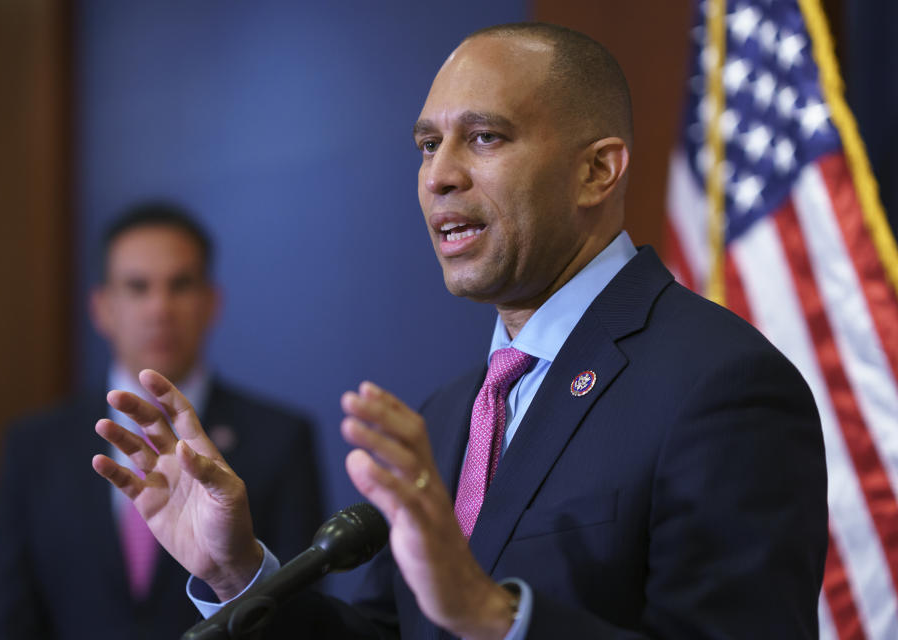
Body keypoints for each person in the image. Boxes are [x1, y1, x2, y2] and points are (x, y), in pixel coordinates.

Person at [93, 23, 828, 639]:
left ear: (598, 172)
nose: (439, 175)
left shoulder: (722, 386)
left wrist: (491, 614)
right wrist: (238, 572)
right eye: (425, 145)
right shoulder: (449, 416)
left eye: (484, 138)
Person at [0, 203, 324, 640]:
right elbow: (14, 617)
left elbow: (300, 614)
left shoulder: (280, 439)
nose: (160, 308)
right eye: (137, 287)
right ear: (102, 308)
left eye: (180, 285)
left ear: (211, 303)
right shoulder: (34, 445)